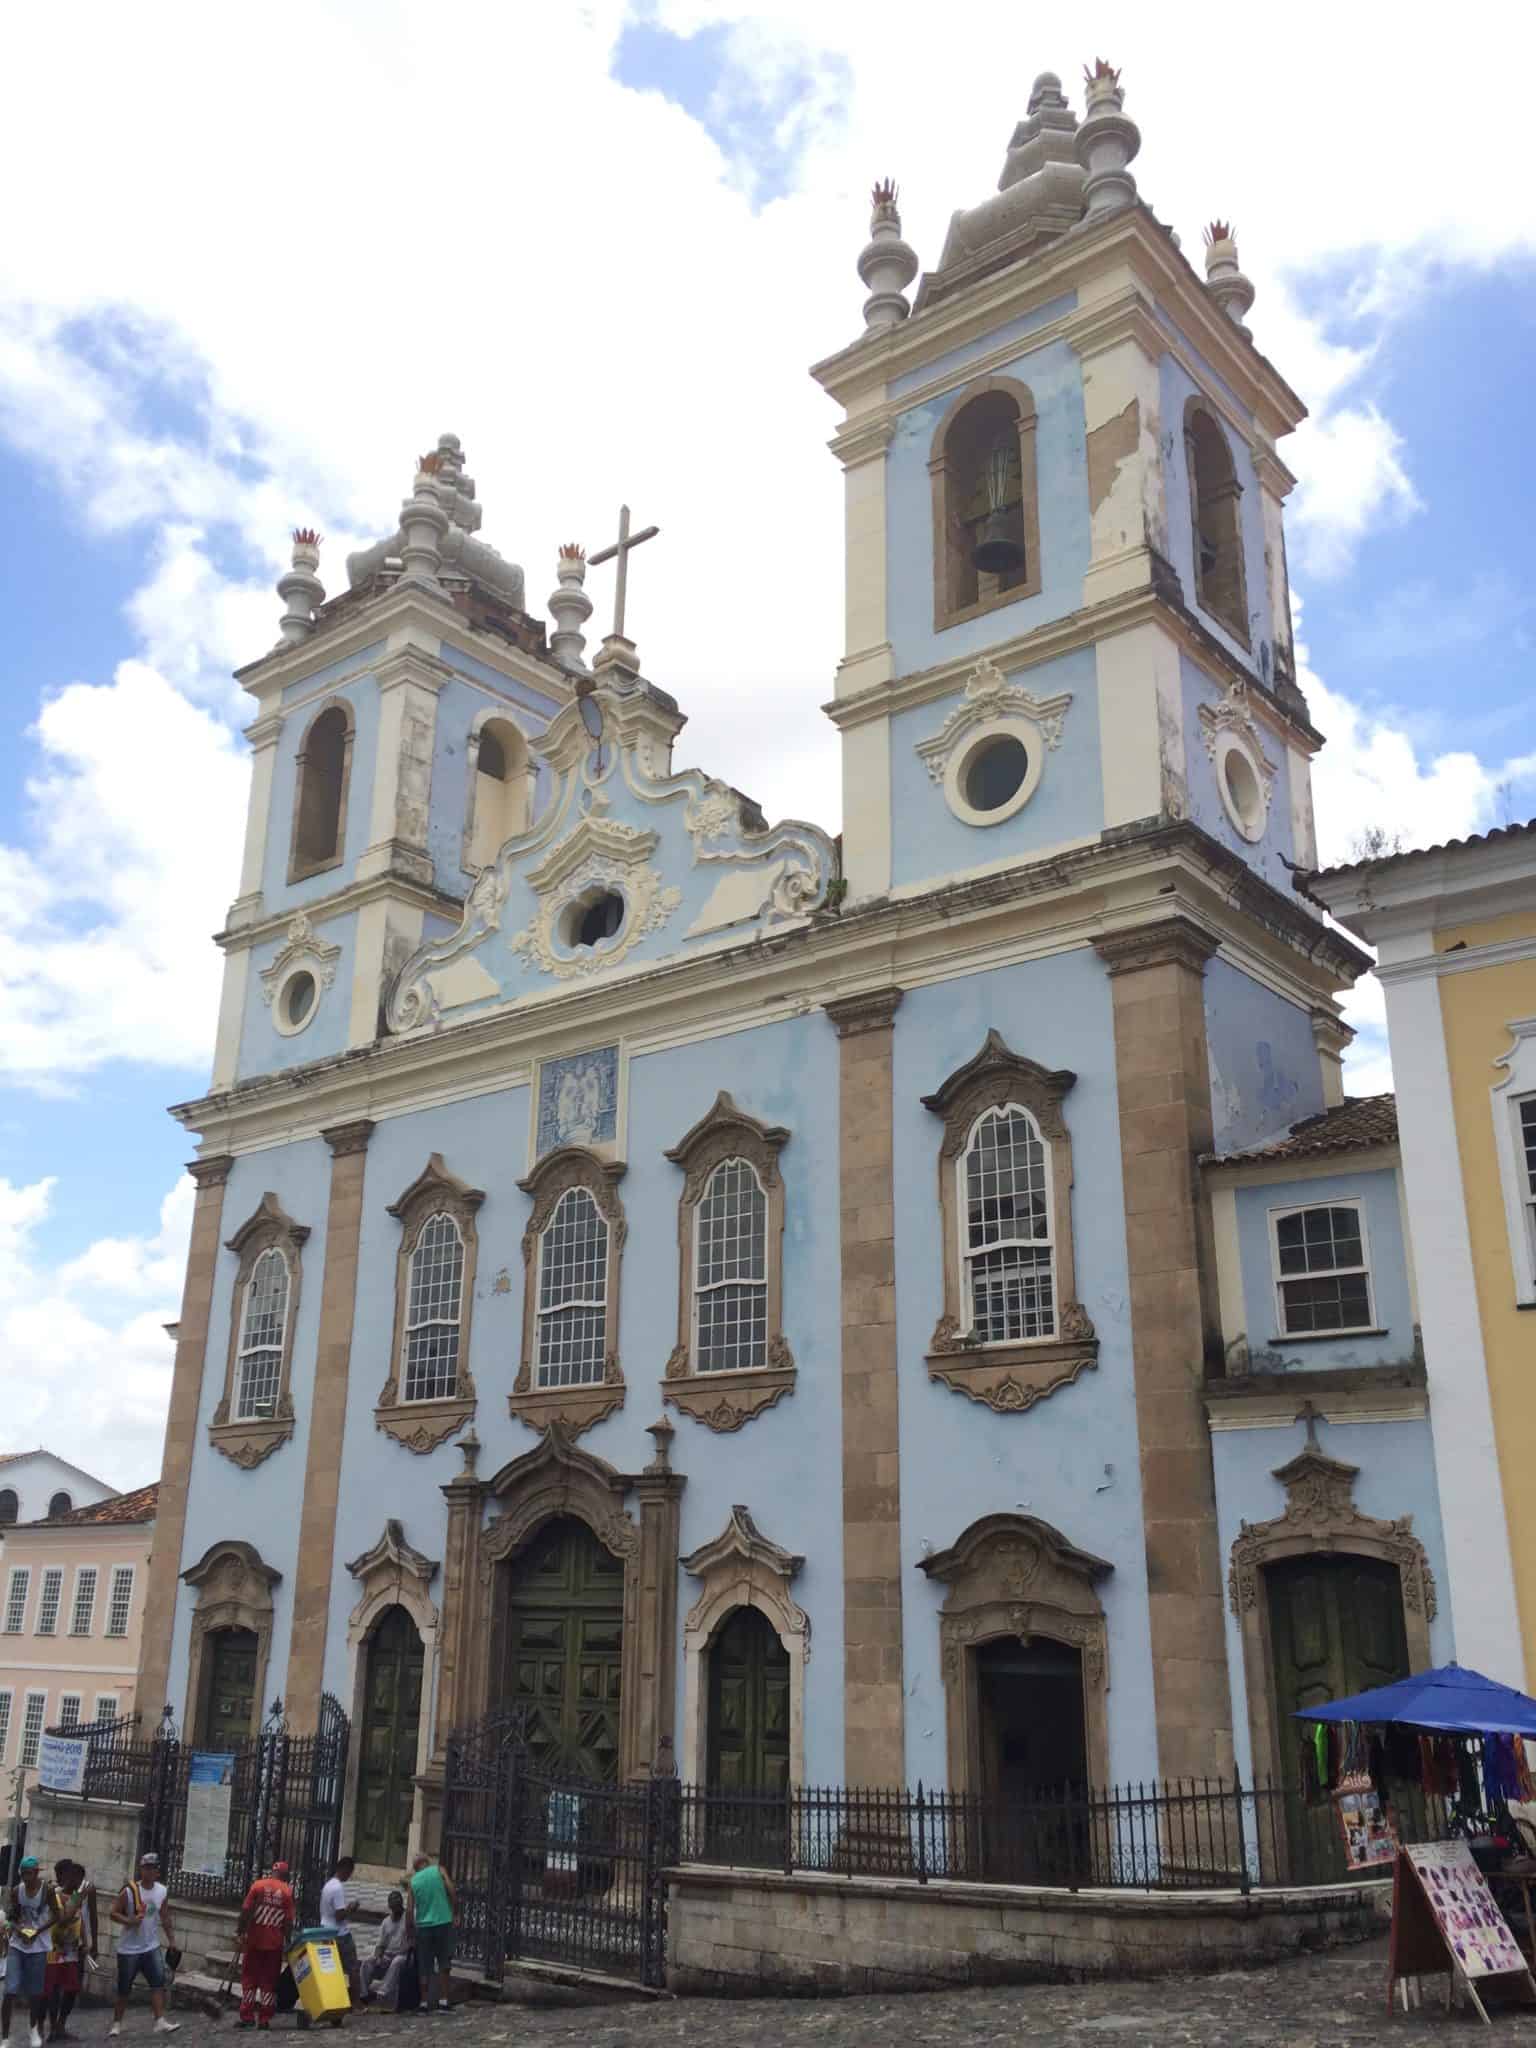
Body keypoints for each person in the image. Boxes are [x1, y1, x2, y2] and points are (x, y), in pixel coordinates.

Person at [107, 1853, 179, 2038]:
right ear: (141, 1869)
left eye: (153, 1868)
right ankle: (117, 2023)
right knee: (124, 1988)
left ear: (157, 1871)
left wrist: (172, 1940)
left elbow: (165, 1916)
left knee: (158, 1983)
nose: (150, 1871)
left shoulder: (162, 1891)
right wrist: (129, 1921)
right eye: (146, 1868)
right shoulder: (130, 1891)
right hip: (129, 1949)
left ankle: (159, 2021)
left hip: (151, 1946)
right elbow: (113, 1913)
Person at [2, 1855, 56, 2048]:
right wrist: (19, 1931)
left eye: (29, 1873)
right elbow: (10, 1917)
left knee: (35, 1993)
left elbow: (57, 1915)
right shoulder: (17, 1891)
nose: (26, 1877)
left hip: (39, 1946)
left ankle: (33, 2029)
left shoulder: (47, 1891)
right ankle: (5, 2036)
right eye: (23, 1873)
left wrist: (37, 1932)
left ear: (36, 1873)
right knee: (10, 1991)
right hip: (18, 1944)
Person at [234, 1860, 295, 2031]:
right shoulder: (287, 1892)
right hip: (274, 1945)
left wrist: (240, 1932)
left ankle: (247, 2016)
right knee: (269, 1982)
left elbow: (245, 1911)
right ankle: (264, 2019)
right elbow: (289, 1922)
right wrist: (288, 1941)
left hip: (253, 1941)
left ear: (272, 1872)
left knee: (249, 1979)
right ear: (285, 1876)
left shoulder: (258, 1886)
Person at [43, 1862, 93, 2042]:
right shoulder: (56, 1895)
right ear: (67, 1878)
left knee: (72, 1989)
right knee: (54, 1990)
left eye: (81, 1879)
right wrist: (79, 1897)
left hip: (72, 1951)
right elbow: (64, 1919)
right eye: (76, 1878)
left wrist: (86, 1943)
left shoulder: (76, 1897)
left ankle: (61, 2025)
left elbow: (82, 1920)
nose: (79, 1882)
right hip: (55, 1950)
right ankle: (52, 2027)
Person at [405, 1854, 456, 2017]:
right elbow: (452, 1890)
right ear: (426, 1862)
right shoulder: (439, 1870)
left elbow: (409, 1910)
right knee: (444, 1963)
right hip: (443, 1922)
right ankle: (443, 2001)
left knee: (424, 1966)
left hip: (424, 1927)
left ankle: (424, 2003)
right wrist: (456, 1912)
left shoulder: (413, 1882)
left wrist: (410, 1932)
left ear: (415, 1867)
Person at [317, 1859, 360, 2007]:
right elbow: (339, 1915)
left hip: (325, 1929)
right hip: (340, 1933)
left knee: (332, 1969)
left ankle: (333, 2000)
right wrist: (352, 1908)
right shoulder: (338, 1888)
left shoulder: (328, 1885)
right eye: (350, 1872)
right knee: (353, 1968)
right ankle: (356, 2003)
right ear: (345, 1869)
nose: (350, 1876)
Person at [357, 1893, 409, 2012]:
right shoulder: (386, 1922)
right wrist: (378, 1957)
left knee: (396, 1962)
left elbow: (412, 1941)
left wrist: (402, 1951)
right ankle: (364, 1995)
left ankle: (381, 1993)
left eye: (398, 1907)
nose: (396, 1910)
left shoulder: (408, 1918)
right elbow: (380, 1945)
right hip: (387, 1955)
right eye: (393, 1907)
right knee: (368, 1962)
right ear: (390, 1907)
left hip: (403, 1955)